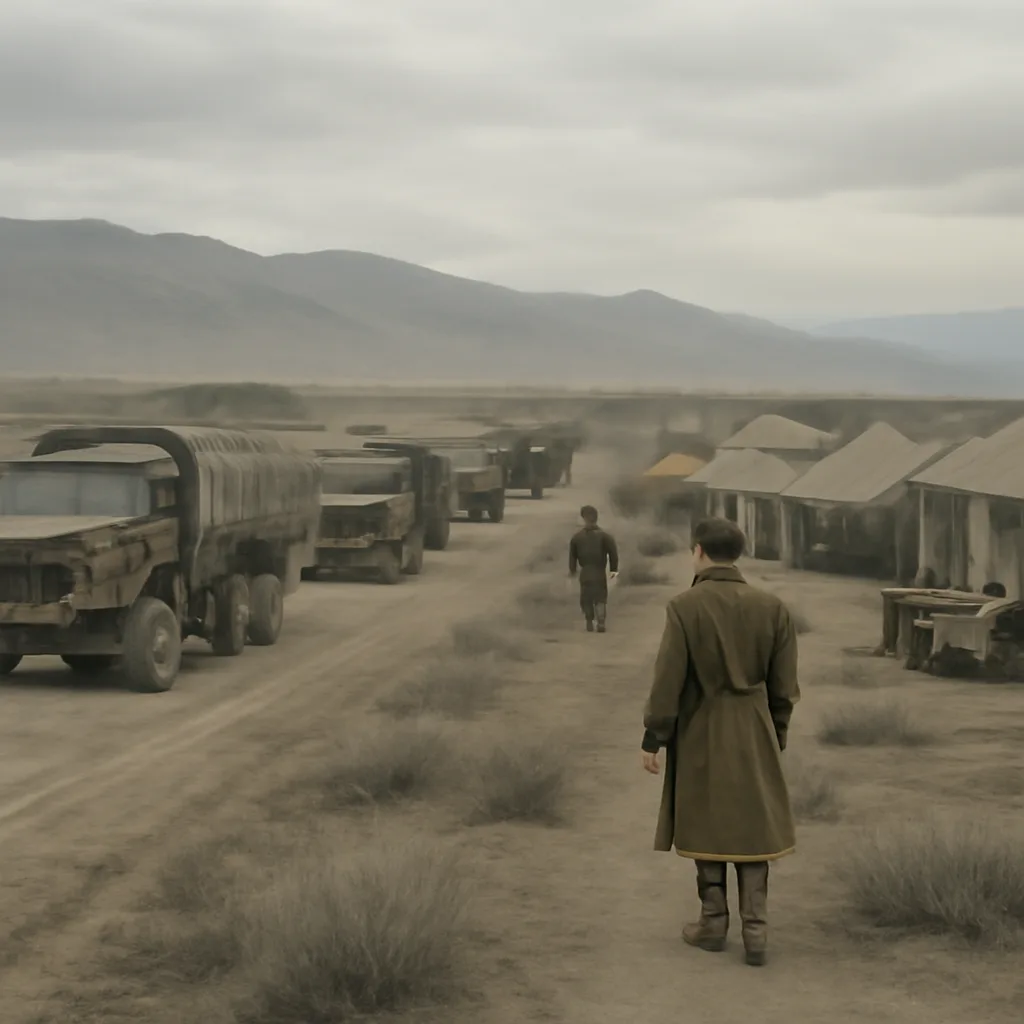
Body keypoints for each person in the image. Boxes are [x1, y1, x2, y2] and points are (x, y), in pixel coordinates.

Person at [641, 517, 800, 967]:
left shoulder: (684, 606)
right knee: (753, 826)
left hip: (702, 728)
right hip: (755, 727)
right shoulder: (773, 607)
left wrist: (654, 736)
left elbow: (667, 681)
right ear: (739, 553)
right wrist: (776, 734)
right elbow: (785, 688)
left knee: (707, 821)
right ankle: (757, 931)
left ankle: (713, 924)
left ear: (698, 551)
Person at [568, 505, 619, 632]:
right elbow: (613, 555)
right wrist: (614, 570)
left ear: (583, 518)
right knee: (600, 598)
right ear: (596, 518)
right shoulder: (605, 536)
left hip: (585, 572)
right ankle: (601, 622)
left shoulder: (576, 538)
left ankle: (589, 621)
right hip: (599, 571)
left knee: (586, 598)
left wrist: (572, 570)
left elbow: (572, 557)